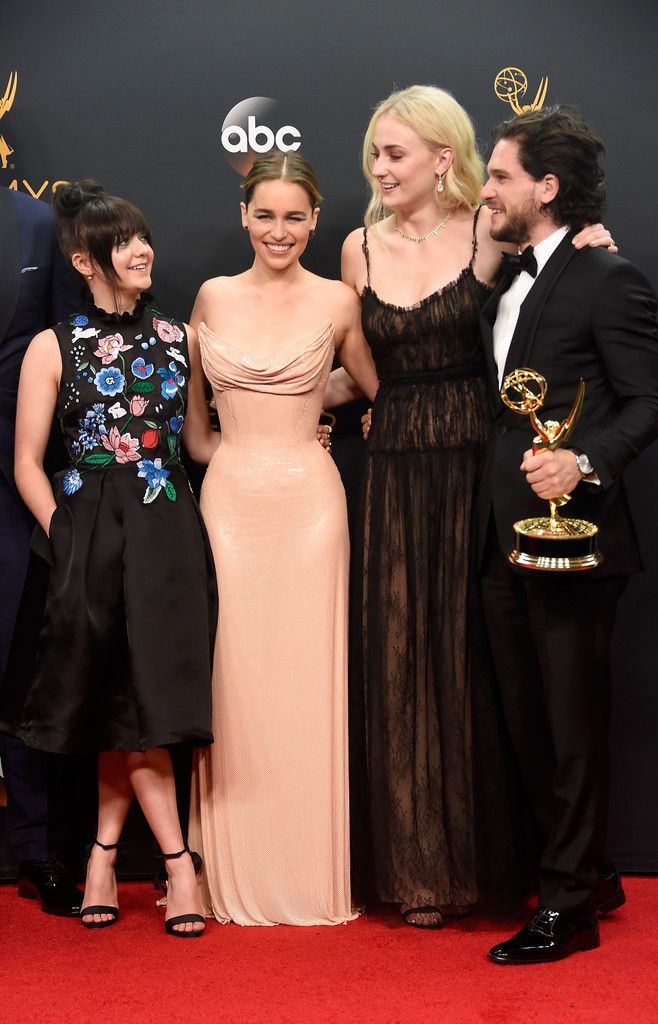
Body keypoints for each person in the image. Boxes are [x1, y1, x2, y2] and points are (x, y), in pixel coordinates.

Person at [330, 85, 616, 928]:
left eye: (394, 154)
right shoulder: (356, 246)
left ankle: (499, 866)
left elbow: (555, 300)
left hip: (475, 464)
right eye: (374, 154)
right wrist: (289, 402)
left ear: (442, 159)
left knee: (474, 666)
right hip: (391, 464)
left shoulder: (488, 232)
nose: (378, 168)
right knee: (400, 654)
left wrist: (597, 246)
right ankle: (418, 870)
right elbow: (354, 365)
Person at [477, 106, 658, 964]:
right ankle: (585, 870)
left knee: (570, 723)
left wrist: (582, 464)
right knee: (527, 721)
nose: (485, 191)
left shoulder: (608, 276)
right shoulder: (509, 276)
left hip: (574, 536)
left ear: (545, 188)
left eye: (500, 176)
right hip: (499, 536)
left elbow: (649, 404)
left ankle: (568, 909)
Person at [3, 180, 219, 936]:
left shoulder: (177, 338)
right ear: (82, 259)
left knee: (146, 696)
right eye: (121, 241)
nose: (140, 249)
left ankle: (107, 858)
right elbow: (26, 461)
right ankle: (176, 865)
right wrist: (65, 531)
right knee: (106, 695)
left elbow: (197, 444)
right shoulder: (51, 345)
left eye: (142, 236)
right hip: (87, 533)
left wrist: (279, 443)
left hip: (167, 532)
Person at [187, 151, 379, 926]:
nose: (279, 230)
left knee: (305, 679)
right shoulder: (210, 297)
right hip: (229, 505)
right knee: (235, 683)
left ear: (315, 219)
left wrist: (320, 414)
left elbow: (375, 387)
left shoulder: (338, 300)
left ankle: (308, 869)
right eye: (264, 215)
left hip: (310, 508)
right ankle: (228, 864)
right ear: (243, 216)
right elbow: (197, 432)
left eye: (294, 216)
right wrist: (247, 450)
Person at [0, 186, 83, 916]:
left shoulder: (32, 222)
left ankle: (35, 847)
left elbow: (67, 356)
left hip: (10, 485)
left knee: (19, 671)